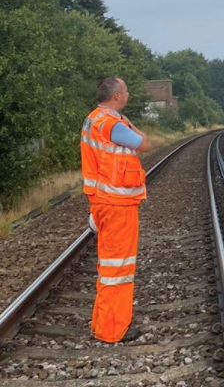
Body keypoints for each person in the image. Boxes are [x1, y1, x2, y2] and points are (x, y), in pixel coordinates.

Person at [80, 77, 151, 343]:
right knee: (118, 268)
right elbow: (145, 144)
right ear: (118, 96)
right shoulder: (113, 124)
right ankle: (113, 330)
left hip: (102, 200)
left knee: (109, 266)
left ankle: (102, 323)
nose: (129, 93)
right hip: (116, 203)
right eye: (127, 90)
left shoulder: (93, 118)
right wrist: (132, 125)